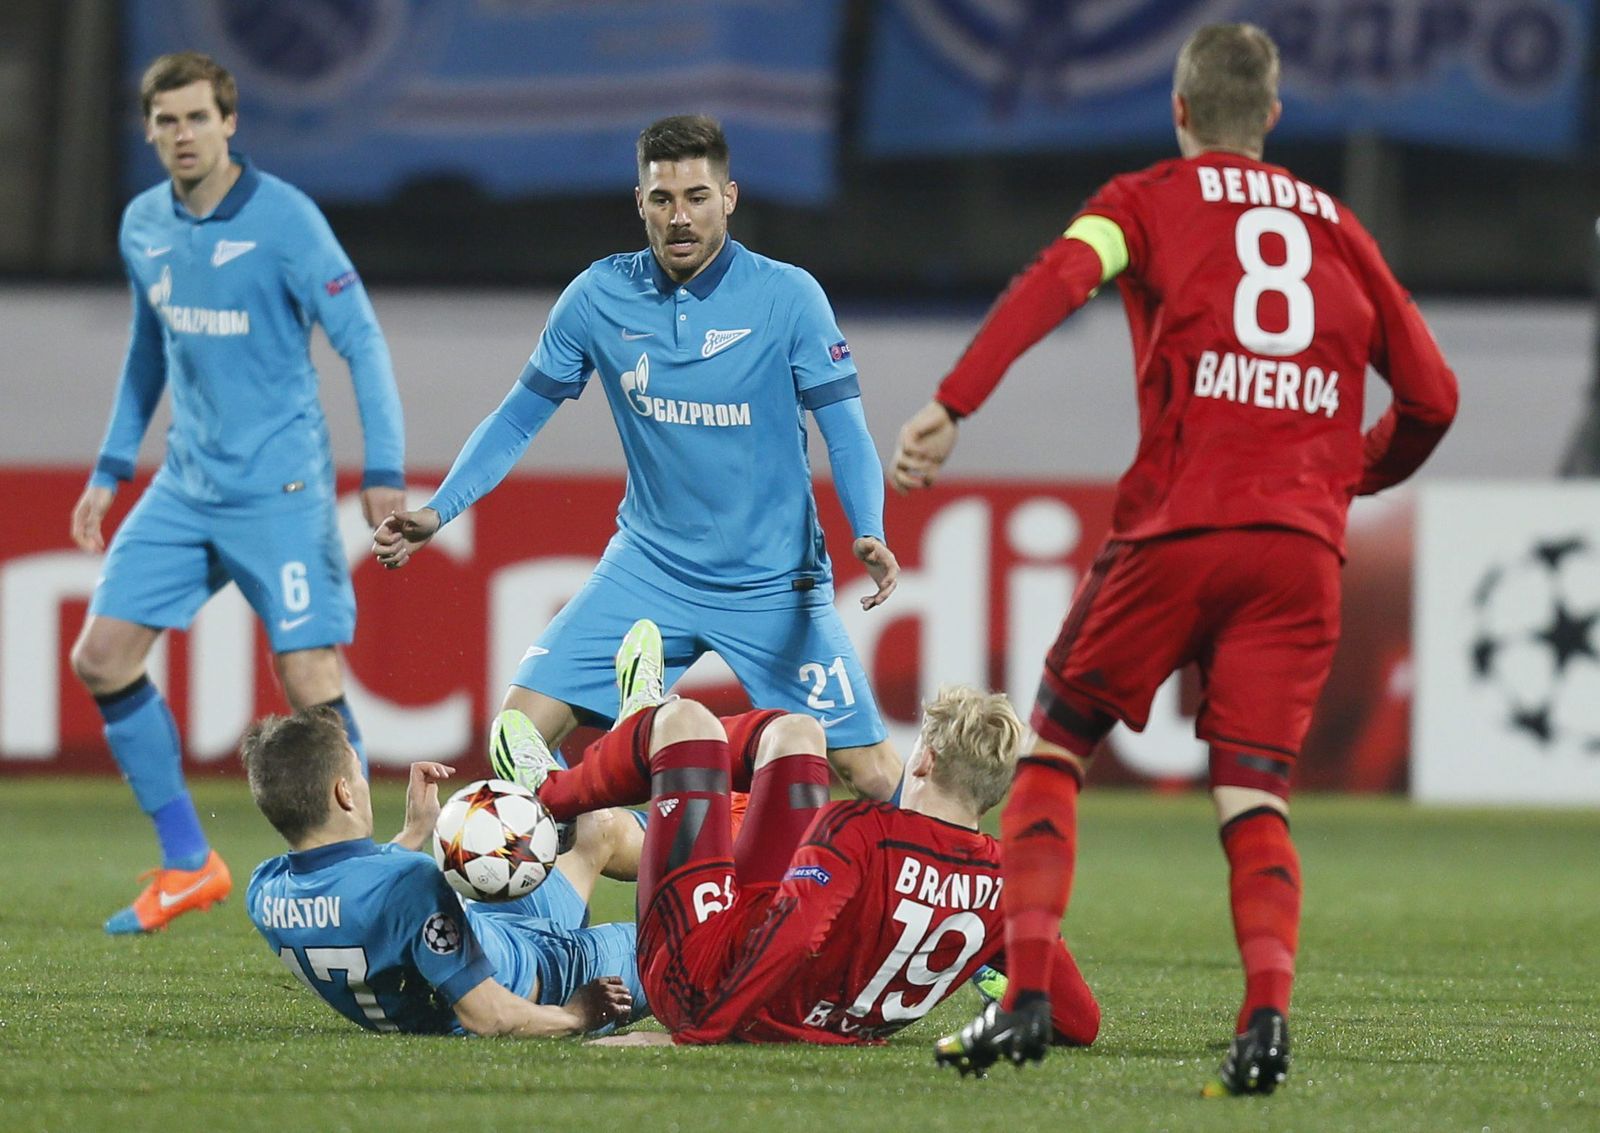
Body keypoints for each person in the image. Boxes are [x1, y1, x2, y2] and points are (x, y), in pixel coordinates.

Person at [891, 23, 1458, 1094]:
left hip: (1179, 527)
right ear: (1274, 119)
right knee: (1253, 793)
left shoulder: (1142, 201)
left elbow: (1056, 281)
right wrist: (1345, 472)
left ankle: (1020, 1000)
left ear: (1180, 110)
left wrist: (952, 402)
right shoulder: (1339, 226)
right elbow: (1435, 396)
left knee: (1054, 748)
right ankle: (1265, 1023)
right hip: (1298, 552)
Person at [370, 114, 903, 802]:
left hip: (773, 585)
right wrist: (438, 510)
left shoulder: (788, 297)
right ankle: (606, 847)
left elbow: (847, 431)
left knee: (871, 773)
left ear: (730, 198)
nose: (680, 217)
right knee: (516, 738)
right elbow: (517, 416)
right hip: (649, 569)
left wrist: (869, 527)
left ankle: (969, 899)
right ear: (640, 202)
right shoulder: (598, 297)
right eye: (662, 199)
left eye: (697, 197)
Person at [69, 52, 406, 935]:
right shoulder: (143, 224)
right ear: (148, 130)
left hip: (281, 490)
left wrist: (383, 471)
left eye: (197, 118)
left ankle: (368, 882)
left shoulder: (288, 222)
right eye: (167, 121)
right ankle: (189, 862)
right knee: (101, 657)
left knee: (310, 679)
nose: (182, 134)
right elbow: (152, 346)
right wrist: (110, 467)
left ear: (230, 123)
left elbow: (362, 341)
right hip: (186, 487)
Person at [513, 619, 1100, 1048]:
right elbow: (1080, 1021)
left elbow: (794, 936)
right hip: (789, 981)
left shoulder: (864, 831)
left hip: (700, 977)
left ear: (924, 761)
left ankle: (555, 790)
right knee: (798, 732)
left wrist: (697, 1034)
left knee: (686, 722)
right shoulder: (1008, 883)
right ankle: (643, 741)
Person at [242, 707, 644, 1037]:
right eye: (357, 774)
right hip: (546, 977)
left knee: (595, 825)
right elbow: (487, 1015)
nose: (362, 784)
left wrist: (413, 832)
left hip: (496, 927)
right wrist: (576, 1015)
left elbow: (358, 900)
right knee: (684, 943)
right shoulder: (410, 882)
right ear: (344, 793)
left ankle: (696, 852)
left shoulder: (266, 891)